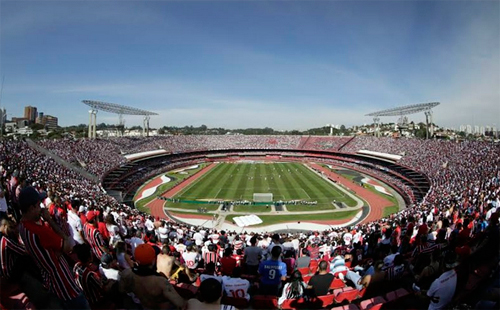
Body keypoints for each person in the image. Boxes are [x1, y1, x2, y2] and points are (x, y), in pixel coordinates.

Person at [18, 186, 90, 309]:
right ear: (31, 208)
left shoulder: (22, 226)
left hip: (52, 284)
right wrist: (49, 220)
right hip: (66, 286)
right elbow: (67, 245)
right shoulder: (40, 232)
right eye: (38, 204)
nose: (42, 208)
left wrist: (57, 251)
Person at [118, 243, 186, 310]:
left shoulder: (126, 274)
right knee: (193, 302)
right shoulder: (161, 282)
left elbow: (122, 290)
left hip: (143, 305)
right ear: (153, 260)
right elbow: (181, 303)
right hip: (158, 307)